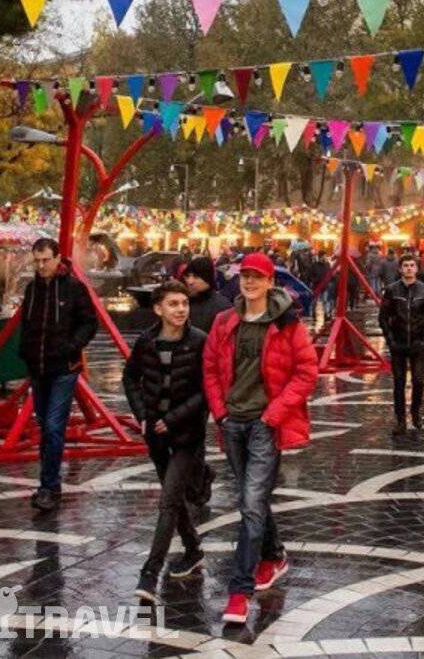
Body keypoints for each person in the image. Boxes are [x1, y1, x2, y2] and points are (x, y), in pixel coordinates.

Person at [201, 251, 319, 625]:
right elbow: (210, 368)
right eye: (244, 276)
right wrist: (220, 411)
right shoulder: (225, 321)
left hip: (265, 425)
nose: (249, 282)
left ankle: (240, 591)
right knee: (255, 499)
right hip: (233, 423)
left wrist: (273, 415)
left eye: (256, 277)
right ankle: (275, 555)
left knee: (251, 503)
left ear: (271, 282)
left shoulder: (287, 323)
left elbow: (307, 371)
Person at [123, 281, 209, 603]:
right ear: (158, 309)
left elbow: (206, 391)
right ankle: (193, 549)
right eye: (173, 304)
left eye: (184, 303)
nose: (181, 310)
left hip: (187, 434)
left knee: (169, 499)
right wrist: (142, 414)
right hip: (154, 434)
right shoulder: (146, 342)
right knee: (172, 499)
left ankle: (150, 572)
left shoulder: (200, 341)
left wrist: (172, 419)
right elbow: (129, 377)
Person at [17, 238, 99, 513]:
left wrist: (71, 347)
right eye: (36, 261)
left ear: (57, 258)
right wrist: (26, 353)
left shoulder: (74, 288)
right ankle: (49, 484)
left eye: (45, 260)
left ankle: (48, 485)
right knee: (45, 427)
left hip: (63, 368)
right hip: (38, 368)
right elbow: (27, 324)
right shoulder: (32, 289)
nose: (41, 266)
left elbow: (90, 322)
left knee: (53, 426)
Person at [378, 254, 424, 435]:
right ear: (400, 269)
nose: (409, 268)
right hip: (398, 344)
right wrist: (390, 340)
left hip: (418, 344)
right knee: (399, 382)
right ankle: (400, 419)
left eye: (412, 265)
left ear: (416, 268)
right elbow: (383, 317)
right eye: (406, 266)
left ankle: (416, 413)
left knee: (419, 381)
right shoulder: (391, 290)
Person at [183, 256, 232, 334]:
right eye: (187, 276)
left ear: (208, 278)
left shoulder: (222, 307)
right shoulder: (182, 302)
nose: (190, 281)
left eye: (196, 277)